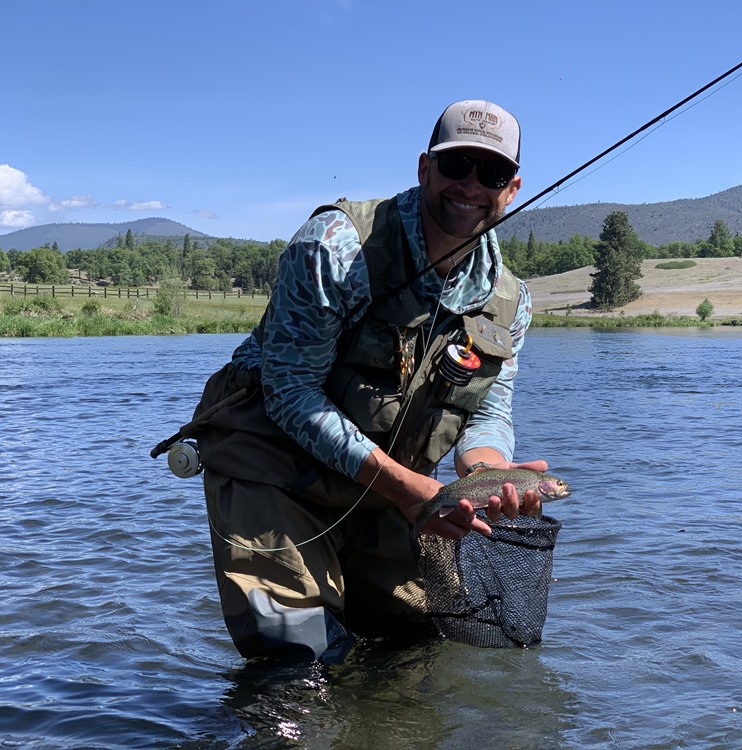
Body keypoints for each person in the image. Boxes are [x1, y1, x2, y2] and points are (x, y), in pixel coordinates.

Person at [189, 100, 545, 662]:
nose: (471, 185)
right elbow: (289, 393)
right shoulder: (334, 244)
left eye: (492, 173)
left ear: (513, 187)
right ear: (425, 168)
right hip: (276, 467)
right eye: (457, 166)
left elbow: (488, 409)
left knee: (410, 654)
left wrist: (488, 470)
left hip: (389, 489)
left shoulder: (511, 299)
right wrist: (408, 489)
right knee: (297, 661)